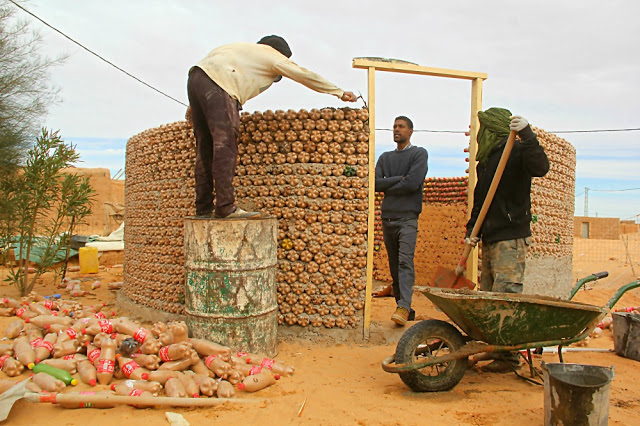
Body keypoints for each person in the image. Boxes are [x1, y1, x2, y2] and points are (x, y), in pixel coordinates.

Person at [186, 35, 357, 219]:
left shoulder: (239, 50)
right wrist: (338, 92)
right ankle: (225, 206)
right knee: (224, 145)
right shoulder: (271, 55)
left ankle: (203, 207)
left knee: (204, 148)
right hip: (221, 84)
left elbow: (208, 74)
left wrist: (196, 104)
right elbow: (304, 75)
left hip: (196, 78)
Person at [464, 107, 549, 372]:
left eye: (484, 129)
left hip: (511, 237)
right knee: (491, 298)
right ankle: (496, 350)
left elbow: (541, 167)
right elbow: (481, 198)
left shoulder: (518, 150)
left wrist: (527, 135)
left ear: (493, 129)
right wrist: (471, 231)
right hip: (490, 236)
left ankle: (509, 358)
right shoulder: (487, 160)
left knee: (507, 296)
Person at [375, 116, 429, 326]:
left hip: (407, 218)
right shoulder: (385, 157)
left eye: (401, 127)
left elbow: (413, 184)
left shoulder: (419, 153)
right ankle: (405, 307)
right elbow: (376, 184)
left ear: (410, 131)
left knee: (405, 262)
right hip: (388, 218)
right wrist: (401, 179)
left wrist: (391, 184)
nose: (397, 130)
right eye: (395, 127)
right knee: (394, 266)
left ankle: (404, 306)